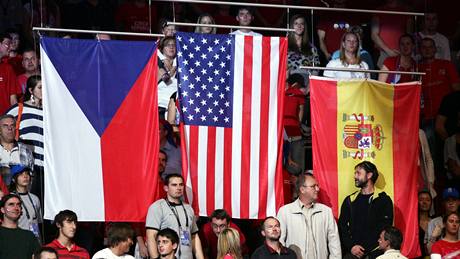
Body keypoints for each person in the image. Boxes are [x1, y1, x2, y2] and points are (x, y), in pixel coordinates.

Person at [277, 172, 341, 258]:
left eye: (317, 186)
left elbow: (334, 242)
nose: (317, 189)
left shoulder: (326, 211)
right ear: (302, 189)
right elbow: (279, 242)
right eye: (313, 186)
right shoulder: (285, 212)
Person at [338, 161, 394, 259]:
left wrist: (367, 250)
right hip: (353, 254)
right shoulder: (349, 200)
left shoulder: (384, 200)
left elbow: (385, 227)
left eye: (358, 173)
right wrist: (352, 246)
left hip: (377, 253)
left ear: (369, 175)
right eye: (355, 173)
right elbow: (342, 227)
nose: (355, 176)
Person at [145, 174, 204, 259]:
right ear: (166, 188)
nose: (179, 188)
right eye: (174, 185)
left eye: (181, 184)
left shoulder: (188, 208)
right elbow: (151, 236)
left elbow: (194, 237)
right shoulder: (157, 207)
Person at [6, 75, 44, 197]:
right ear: (31, 90)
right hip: (26, 165)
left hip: (46, 165)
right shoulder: (19, 108)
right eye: (40, 87)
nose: (43, 90)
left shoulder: (49, 110)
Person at [0, 193, 40, 259]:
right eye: (11, 204)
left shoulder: (29, 236)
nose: (16, 208)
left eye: (18, 205)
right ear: (2, 210)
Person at [8, 164, 42, 239]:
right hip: (19, 241)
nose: (25, 176)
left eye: (27, 173)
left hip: (36, 241)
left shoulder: (35, 198)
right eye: (21, 174)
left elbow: (39, 222)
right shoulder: (9, 199)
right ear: (14, 179)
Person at [0, 114, 34, 185]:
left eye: (12, 125)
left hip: (20, 195)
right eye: (5, 126)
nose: (9, 128)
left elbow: (30, 176)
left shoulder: (25, 150)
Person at [287, 14, 320, 88]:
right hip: (289, 78)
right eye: (296, 23)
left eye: (302, 24)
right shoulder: (285, 46)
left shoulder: (312, 48)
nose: (299, 26)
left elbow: (315, 70)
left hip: (307, 80)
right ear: (291, 26)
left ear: (304, 27)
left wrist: (308, 88)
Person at [425, 187, 460, 254]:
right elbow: (427, 252)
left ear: (458, 202)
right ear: (443, 203)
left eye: (454, 200)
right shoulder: (433, 223)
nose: (451, 203)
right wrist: (433, 237)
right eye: (448, 200)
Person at [0, 33, 19, 114]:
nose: (11, 47)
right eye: (7, 44)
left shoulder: (8, 68)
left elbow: (13, 98)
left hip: (5, 119)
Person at [418, 190, 433, 257]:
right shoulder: (412, 223)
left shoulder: (435, 222)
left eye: (428, 200)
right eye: (421, 199)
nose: (424, 202)